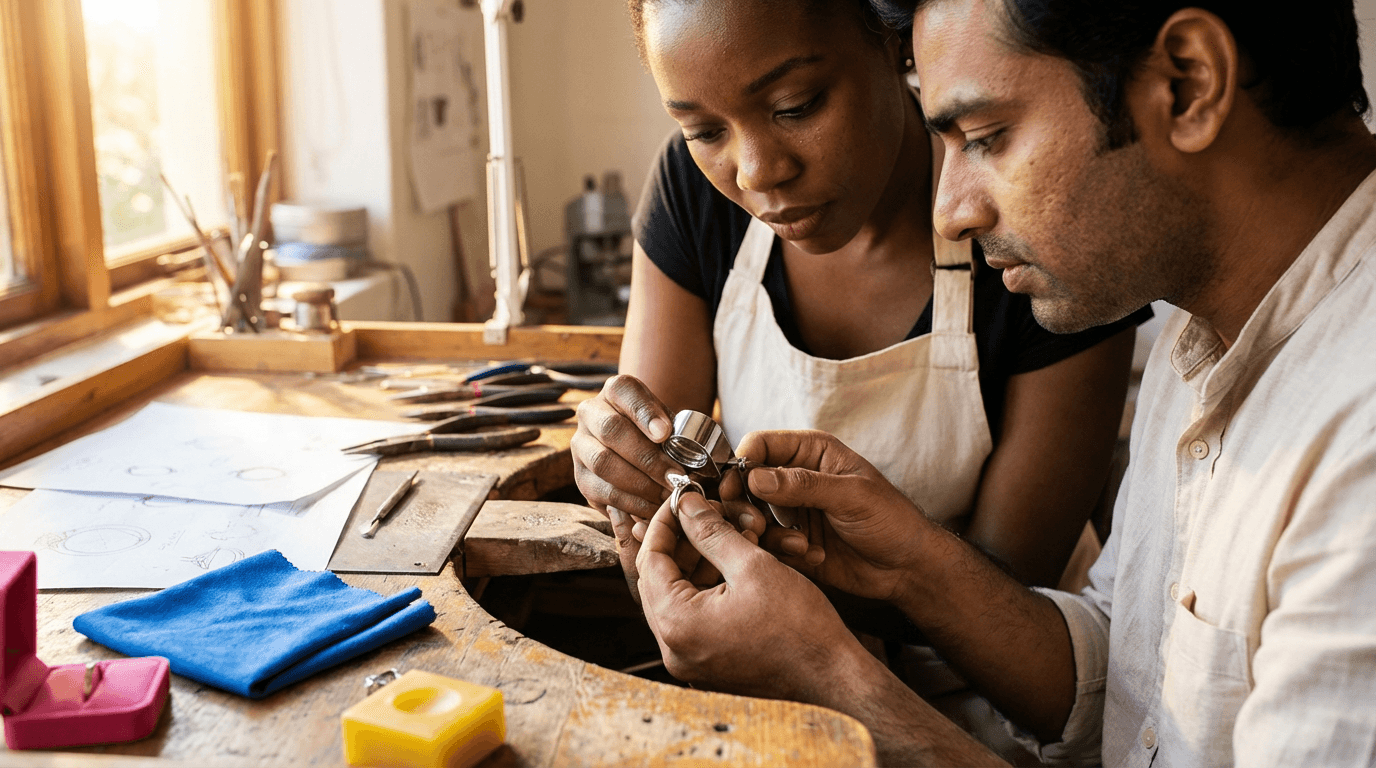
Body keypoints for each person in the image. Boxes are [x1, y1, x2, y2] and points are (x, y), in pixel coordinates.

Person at [631, 0, 1376, 765]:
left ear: (1186, 85)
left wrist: (828, 675)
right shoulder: (1209, 331)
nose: (950, 212)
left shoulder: (1360, 437)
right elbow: (1129, 679)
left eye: (986, 138)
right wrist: (911, 565)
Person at [573, 0, 1149, 604]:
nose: (758, 171)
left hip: (1001, 678)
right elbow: (662, 497)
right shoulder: (695, 194)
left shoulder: (1036, 228)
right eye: (704, 131)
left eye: (795, 106)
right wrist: (625, 469)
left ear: (896, 42)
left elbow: (1011, 586)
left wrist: (811, 634)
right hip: (762, 641)